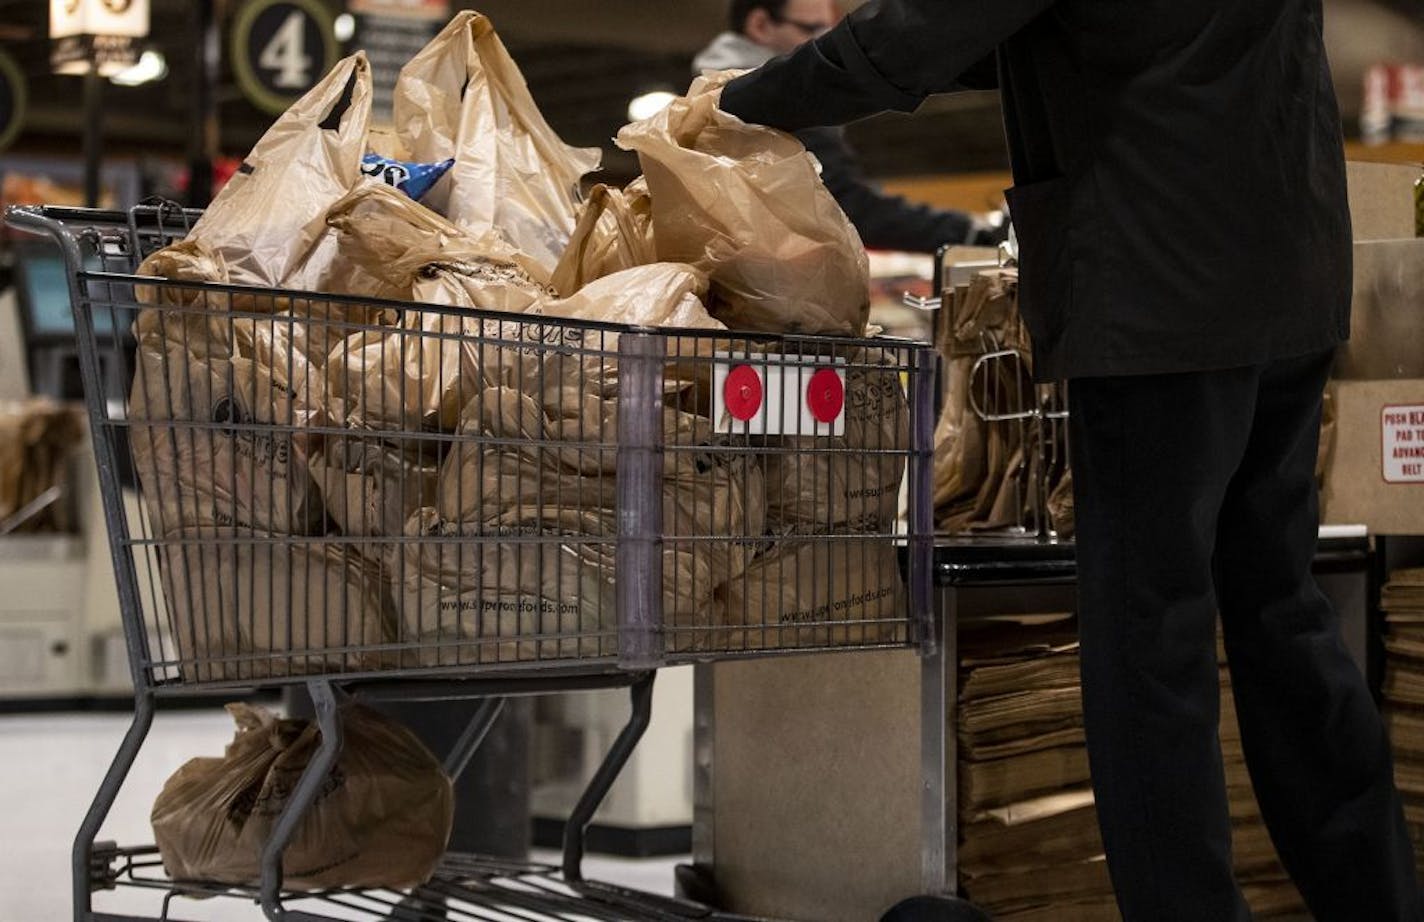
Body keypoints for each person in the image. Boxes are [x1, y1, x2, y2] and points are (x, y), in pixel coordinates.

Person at [718, 3, 1422, 920]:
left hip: (1158, 292)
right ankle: (1379, 901)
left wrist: (736, 103)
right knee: (1281, 613)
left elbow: (923, 32)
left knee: (1148, 640)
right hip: (1288, 269)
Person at [694, 0, 1005, 253]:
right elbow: (841, 205)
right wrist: (969, 233)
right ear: (760, 25)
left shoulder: (700, 92)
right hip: (765, 286)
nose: (823, 40)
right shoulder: (774, 103)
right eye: (813, 28)